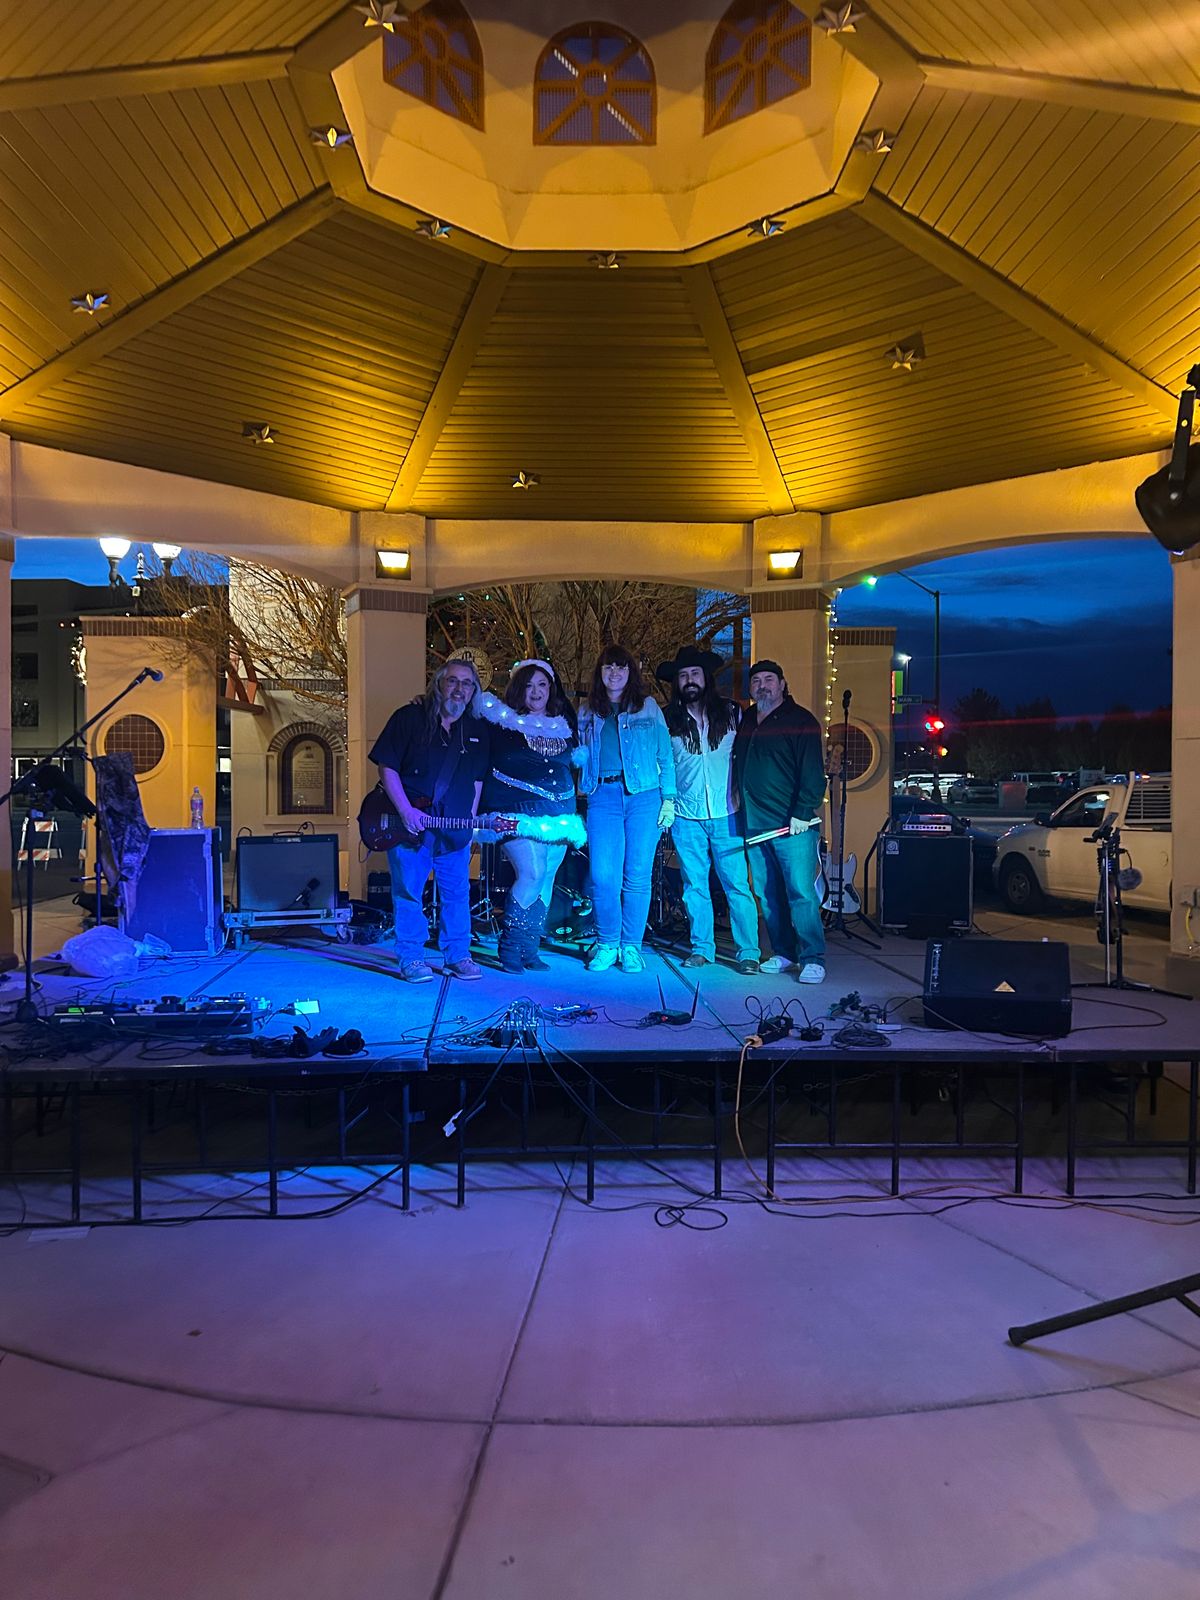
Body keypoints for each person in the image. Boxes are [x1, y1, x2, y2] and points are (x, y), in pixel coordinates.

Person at [368, 659, 489, 983]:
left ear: (474, 691)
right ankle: (411, 957)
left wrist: (470, 823)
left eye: (467, 683)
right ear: (438, 684)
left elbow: (477, 780)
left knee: (457, 894)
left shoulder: (477, 729)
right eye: (453, 681)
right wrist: (405, 811)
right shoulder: (409, 718)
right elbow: (387, 767)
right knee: (408, 893)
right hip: (411, 828)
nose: (459, 689)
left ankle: (458, 955)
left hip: (454, 832)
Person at [473, 658, 581, 973]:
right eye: (529, 685)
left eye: (542, 684)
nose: (536, 691)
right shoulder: (498, 721)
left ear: (551, 688)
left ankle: (530, 948)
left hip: (559, 813)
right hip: (514, 810)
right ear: (518, 688)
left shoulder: (563, 726)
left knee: (546, 877)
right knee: (532, 873)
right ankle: (510, 946)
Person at [658, 645, 760, 975]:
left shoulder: (732, 713)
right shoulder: (666, 720)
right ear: (677, 682)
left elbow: (750, 755)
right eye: (683, 675)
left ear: (706, 678)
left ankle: (749, 952)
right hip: (686, 815)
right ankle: (702, 948)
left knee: (737, 885)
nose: (689, 680)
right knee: (694, 886)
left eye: (695, 674)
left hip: (728, 812)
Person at [576, 644, 676, 973]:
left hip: (643, 796)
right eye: (608, 667)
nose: (615, 673)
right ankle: (607, 943)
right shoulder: (586, 710)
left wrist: (669, 798)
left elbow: (665, 755)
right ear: (600, 672)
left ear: (631, 671)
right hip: (602, 795)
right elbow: (579, 753)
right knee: (603, 876)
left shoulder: (648, 707)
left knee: (637, 874)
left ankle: (631, 946)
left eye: (621, 667)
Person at [733, 658, 827, 983]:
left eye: (769, 680)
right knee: (767, 894)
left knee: (800, 892)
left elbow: (813, 771)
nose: (762, 686)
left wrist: (803, 810)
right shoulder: (747, 719)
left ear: (782, 684)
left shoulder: (801, 721)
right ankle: (785, 953)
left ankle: (812, 957)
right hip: (755, 825)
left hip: (793, 826)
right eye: (756, 681)